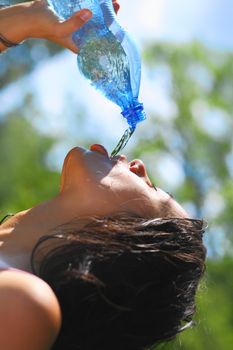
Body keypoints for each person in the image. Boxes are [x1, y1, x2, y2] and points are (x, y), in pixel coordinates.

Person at [0, 2, 206, 350]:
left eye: (155, 190)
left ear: (130, 245)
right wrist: (25, 20)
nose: (139, 165)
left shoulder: (26, 306)